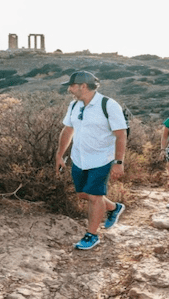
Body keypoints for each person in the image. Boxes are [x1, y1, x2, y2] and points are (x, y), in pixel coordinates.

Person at [56, 71, 127, 250]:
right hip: (79, 158)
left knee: (95, 197)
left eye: (72, 85)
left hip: (102, 158)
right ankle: (114, 207)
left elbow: (121, 134)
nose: (69, 89)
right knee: (83, 194)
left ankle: (92, 235)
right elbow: (67, 131)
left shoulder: (108, 105)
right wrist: (59, 155)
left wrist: (118, 162)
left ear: (83, 86)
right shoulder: (74, 106)